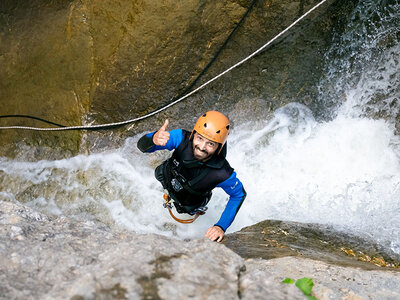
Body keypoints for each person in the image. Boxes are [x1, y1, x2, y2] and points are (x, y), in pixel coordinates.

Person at [137, 111, 246, 242]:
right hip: (164, 179)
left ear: (219, 147)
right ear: (193, 134)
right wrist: (153, 138)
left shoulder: (222, 173)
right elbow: (142, 147)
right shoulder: (180, 138)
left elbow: (238, 195)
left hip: (188, 204)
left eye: (210, 143)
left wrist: (220, 226)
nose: (201, 147)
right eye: (199, 138)